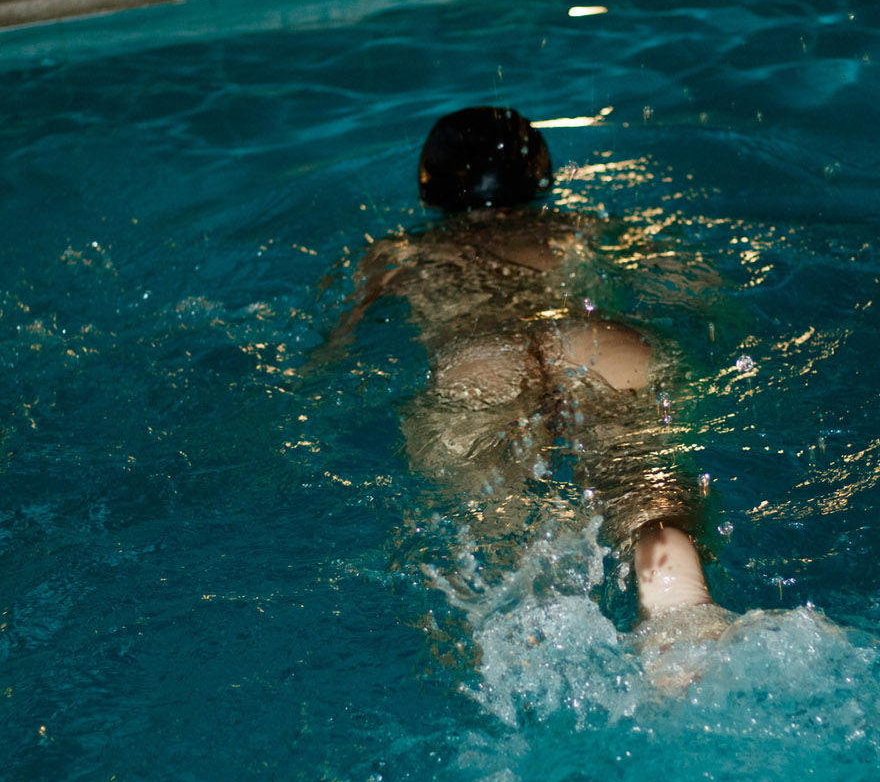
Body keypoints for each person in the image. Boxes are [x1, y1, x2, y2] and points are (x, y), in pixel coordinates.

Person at [307, 105, 734, 628]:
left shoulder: (396, 252)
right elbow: (700, 290)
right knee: (646, 498)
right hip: (594, 340)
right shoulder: (584, 227)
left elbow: (334, 349)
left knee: (496, 525)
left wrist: (311, 380)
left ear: (428, 186)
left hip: (481, 355)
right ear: (541, 178)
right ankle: (683, 617)